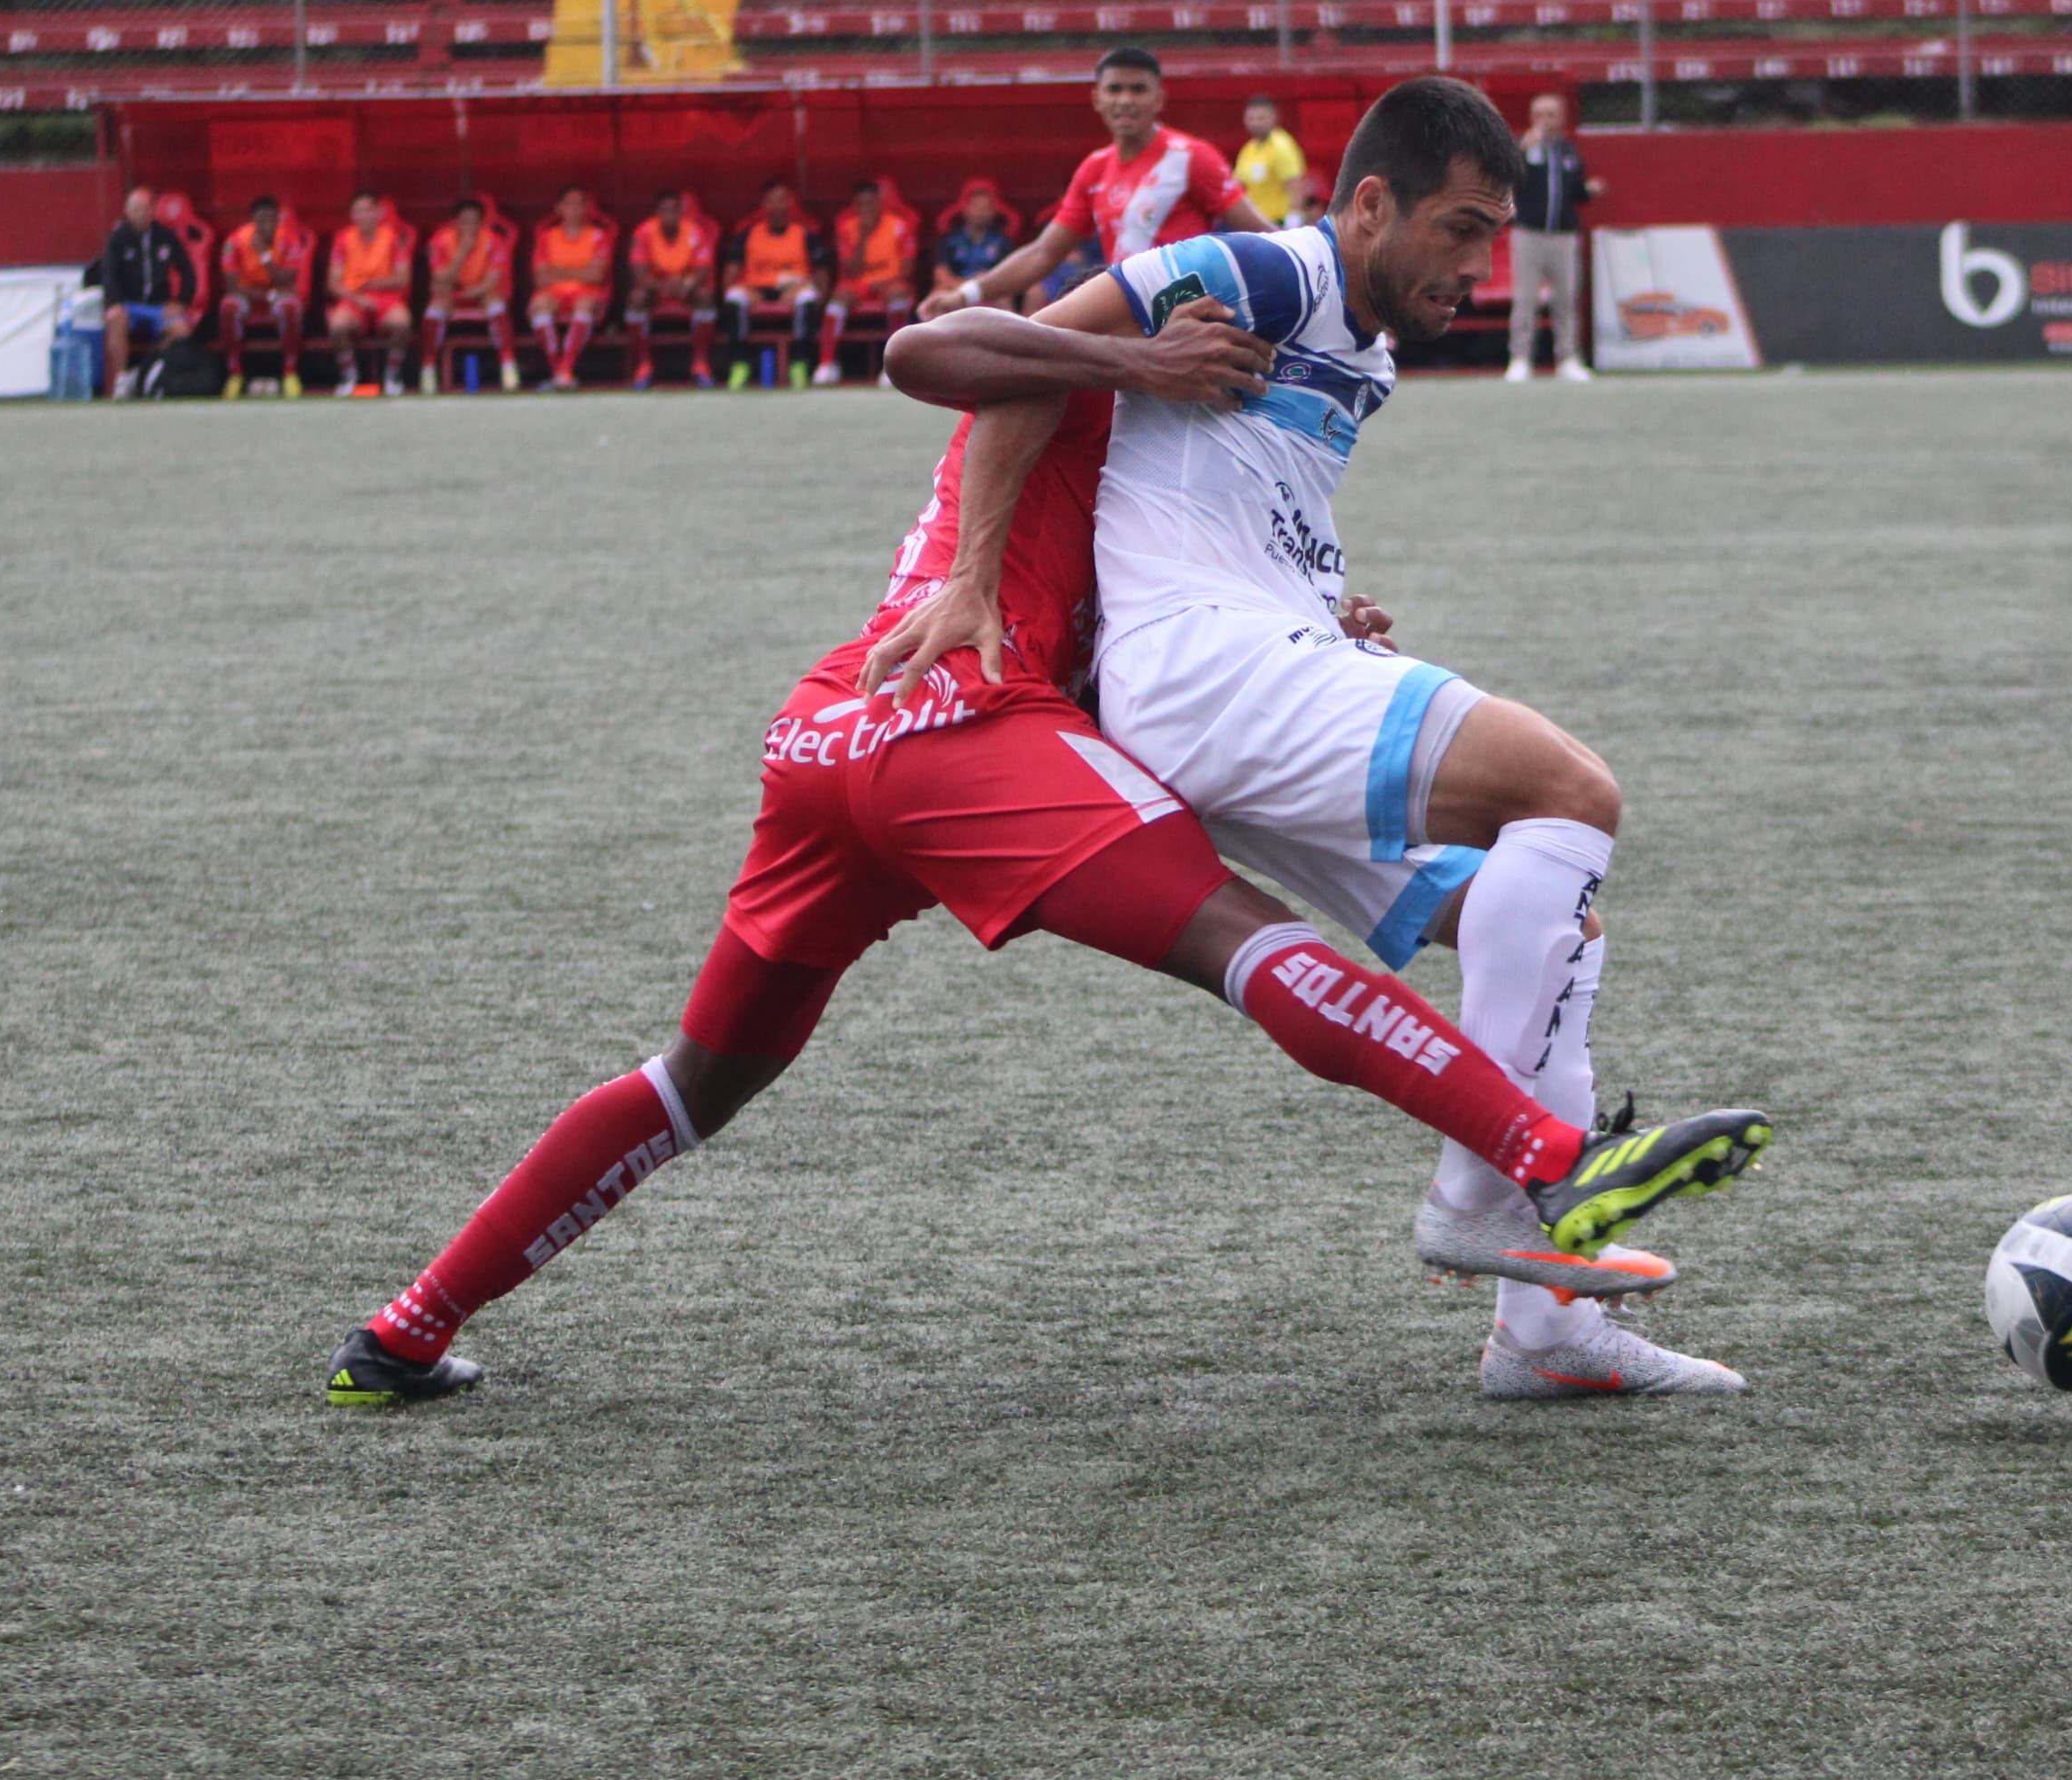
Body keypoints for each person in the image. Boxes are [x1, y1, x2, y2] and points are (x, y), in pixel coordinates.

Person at [320, 300, 1769, 1406]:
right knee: (1246, 940)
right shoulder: (1097, 373)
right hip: (958, 726)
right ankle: (1548, 1161)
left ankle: (406, 1330)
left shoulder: (1134, 442)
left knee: (695, 1082)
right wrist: (1141, 356)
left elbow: (1149, 553)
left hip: (832, 725)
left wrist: (1303, 609)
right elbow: (954, 348)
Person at [888, 77, 1767, 1399]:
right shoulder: (1256, 269)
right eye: (1461, 230)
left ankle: (1546, 1339)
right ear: (1369, 206)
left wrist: (1318, 595)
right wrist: (974, 570)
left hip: (1263, 658)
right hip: (1198, 675)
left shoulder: (1368, 351)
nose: (1480, 265)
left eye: (1493, 236)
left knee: (1552, 930)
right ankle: (1482, 1192)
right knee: (1569, 792)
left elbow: (1224, 495)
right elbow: (956, 355)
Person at [916, 47, 1266, 316]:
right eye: (1114, 89)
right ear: (1097, 99)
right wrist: (964, 296)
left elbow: (1261, 234)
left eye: (1137, 89)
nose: (1125, 100)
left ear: (1158, 99)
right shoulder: (1094, 169)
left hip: (1190, 316)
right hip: (1128, 314)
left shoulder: (1191, 156)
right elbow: (1043, 253)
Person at [1505, 89, 1597, 382]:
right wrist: (1522, 150)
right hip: (1529, 234)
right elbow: (1508, 180)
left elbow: (1576, 191)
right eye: (1541, 114)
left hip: (1563, 236)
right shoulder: (1524, 148)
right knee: (1526, 298)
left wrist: (1588, 190)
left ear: (1561, 118)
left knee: (1566, 298)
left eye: (1552, 114)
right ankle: (1520, 357)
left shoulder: (1568, 151)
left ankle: (1567, 357)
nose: (1546, 120)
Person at [86, 185, 200, 400]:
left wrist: (181, 302)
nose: (140, 214)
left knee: (182, 330)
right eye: (135, 209)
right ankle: (121, 378)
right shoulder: (117, 239)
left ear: (153, 210)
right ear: (127, 212)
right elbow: (109, 274)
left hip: (159, 306)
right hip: (130, 305)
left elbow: (187, 271)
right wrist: (116, 302)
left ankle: (148, 369)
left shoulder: (165, 237)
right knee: (114, 317)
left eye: (145, 209)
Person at [722, 181, 828, 389]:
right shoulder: (749, 235)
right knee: (734, 299)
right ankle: (740, 363)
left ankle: (799, 363)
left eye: (782, 200)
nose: (778, 206)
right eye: (773, 200)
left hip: (794, 289)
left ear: (790, 203)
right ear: (764, 204)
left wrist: (815, 296)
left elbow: (822, 274)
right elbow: (730, 273)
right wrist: (742, 291)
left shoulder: (805, 235)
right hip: (757, 290)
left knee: (807, 299)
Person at [820, 180, 921, 384]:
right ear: (855, 206)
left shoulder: (899, 226)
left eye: (871, 203)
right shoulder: (847, 229)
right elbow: (850, 270)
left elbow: (908, 270)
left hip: (891, 282)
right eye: (861, 204)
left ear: (879, 203)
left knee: (898, 295)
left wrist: (884, 283)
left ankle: (894, 366)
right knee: (838, 299)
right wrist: (863, 237)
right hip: (858, 284)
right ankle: (827, 364)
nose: (867, 208)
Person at [215, 194, 313, 399]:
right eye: (261, 220)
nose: (267, 225)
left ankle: (290, 372)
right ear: (253, 220)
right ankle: (235, 373)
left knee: (290, 307)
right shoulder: (235, 241)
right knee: (229, 306)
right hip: (249, 296)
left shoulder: (288, 240)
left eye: (271, 219)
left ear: (278, 220)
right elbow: (232, 286)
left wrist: (265, 255)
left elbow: (289, 279)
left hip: (275, 295)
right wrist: (268, 294)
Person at [419, 196, 518, 394]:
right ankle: (428, 368)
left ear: (482, 223)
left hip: (481, 293)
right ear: (455, 222)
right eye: (464, 221)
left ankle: (508, 364)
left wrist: (474, 292)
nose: (469, 226)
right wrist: (463, 252)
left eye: (474, 222)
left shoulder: (493, 241)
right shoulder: (439, 242)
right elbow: (442, 279)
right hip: (450, 294)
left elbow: (493, 279)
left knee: (496, 303)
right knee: (434, 309)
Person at [624, 190, 719, 391]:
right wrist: (661, 286)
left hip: (686, 288)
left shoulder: (695, 231)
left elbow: (703, 270)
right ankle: (644, 365)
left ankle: (700, 364)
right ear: (656, 213)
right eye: (664, 210)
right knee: (636, 298)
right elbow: (639, 274)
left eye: (674, 210)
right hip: (656, 289)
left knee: (705, 296)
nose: (670, 215)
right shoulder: (643, 233)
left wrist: (687, 283)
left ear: (681, 212)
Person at [326, 192, 416, 398]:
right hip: (353, 298)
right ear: (352, 215)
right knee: (337, 325)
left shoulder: (394, 238)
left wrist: (371, 285)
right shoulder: (343, 239)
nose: (363, 215)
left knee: (402, 323)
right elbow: (333, 283)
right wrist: (357, 298)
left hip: (387, 298)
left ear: (378, 213)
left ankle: (392, 376)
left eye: (368, 210)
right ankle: (349, 377)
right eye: (358, 211)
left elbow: (402, 278)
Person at [527, 187, 617, 391]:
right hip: (553, 294)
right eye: (569, 203)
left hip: (590, 295)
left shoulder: (598, 236)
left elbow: (597, 276)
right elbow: (541, 279)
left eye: (580, 204)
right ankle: (559, 371)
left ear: (587, 209)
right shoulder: (546, 237)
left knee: (584, 304)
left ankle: (565, 367)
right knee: (539, 304)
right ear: (559, 208)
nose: (575, 209)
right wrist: (580, 270)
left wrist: (558, 271)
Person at [1230, 94, 1309, 226]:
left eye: (1261, 118)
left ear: (1273, 117)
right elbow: (1238, 186)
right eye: (1251, 119)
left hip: (1279, 222)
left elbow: (1295, 186)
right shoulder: (1248, 150)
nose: (1255, 123)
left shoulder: (1282, 146)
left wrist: (1293, 221)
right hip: (1256, 223)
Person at [932, 179, 1013, 290]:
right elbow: (941, 274)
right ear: (965, 209)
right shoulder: (949, 239)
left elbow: (1008, 275)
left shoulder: (1003, 241)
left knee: (1006, 298)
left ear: (994, 211)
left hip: (990, 289)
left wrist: (985, 284)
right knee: (937, 295)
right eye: (976, 207)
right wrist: (966, 289)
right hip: (956, 288)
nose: (981, 212)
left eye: (986, 208)